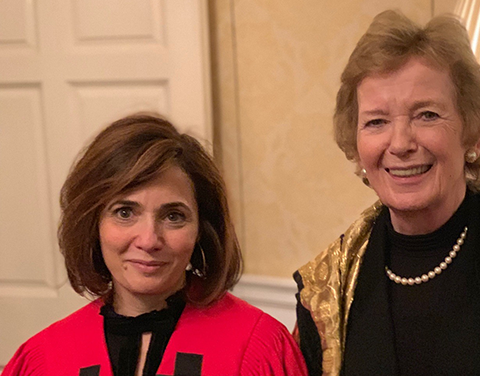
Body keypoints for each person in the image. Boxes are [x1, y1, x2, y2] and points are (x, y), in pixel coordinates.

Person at [293, 10, 480, 376]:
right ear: (357, 145)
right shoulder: (322, 291)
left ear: (474, 132)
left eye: (426, 115)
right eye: (376, 121)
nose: (401, 143)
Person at [4, 114, 308, 376]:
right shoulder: (45, 359)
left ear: (202, 229)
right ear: (92, 224)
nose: (149, 240)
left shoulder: (258, 348)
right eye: (125, 213)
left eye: (173, 216)